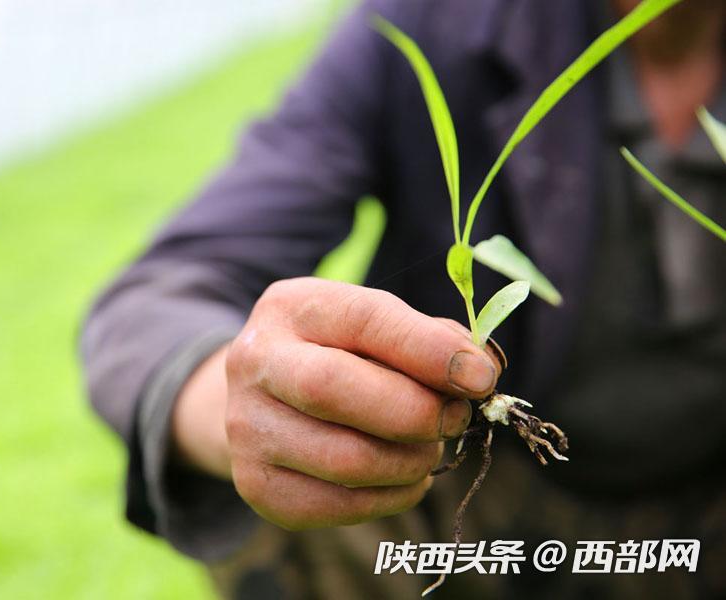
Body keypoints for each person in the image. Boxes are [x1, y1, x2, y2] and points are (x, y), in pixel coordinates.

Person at [80, 0, 726, 597]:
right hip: (480, 500)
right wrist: (247, 404)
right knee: (306, 498)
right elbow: (166, 289)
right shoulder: (432, 20)